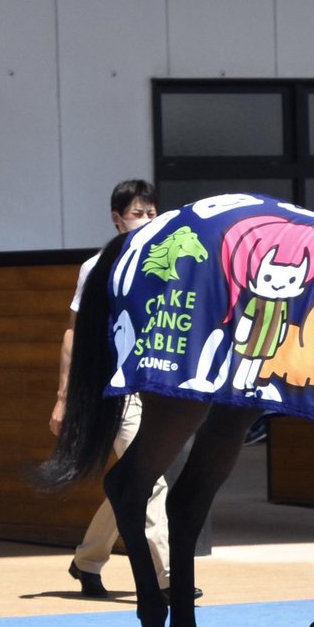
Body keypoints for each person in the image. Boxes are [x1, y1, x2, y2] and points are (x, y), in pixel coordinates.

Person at [49, 180, 199, 600]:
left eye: (152, 212)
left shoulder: (169, 262)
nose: (147, 220)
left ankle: (87, 560)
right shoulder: (97, 267)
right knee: (150, 481)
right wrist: (63, 398)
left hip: (156, 386)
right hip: (115, 388)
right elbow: (73, 335)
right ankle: (170, 577)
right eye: (138, 213)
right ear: (117, 219)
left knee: (131, 480)